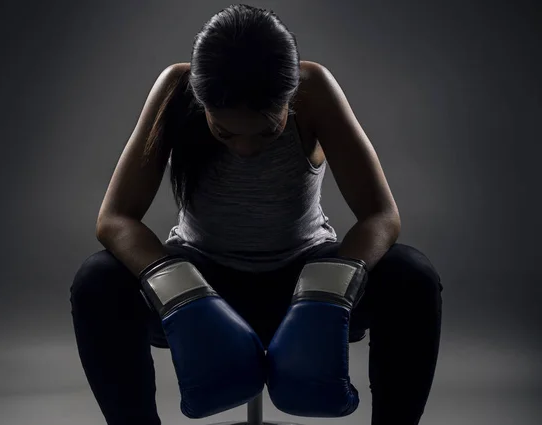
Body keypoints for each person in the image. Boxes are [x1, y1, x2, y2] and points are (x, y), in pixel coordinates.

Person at [70, 4, 443, 425]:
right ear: (201, 100)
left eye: (267, 130)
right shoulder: (176, 89)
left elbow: (380, 214)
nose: (245, 148)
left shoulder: (313, 88)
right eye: (224, 132)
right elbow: (115, 218)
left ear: (289, 99)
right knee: (96, 280)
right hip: (203, 282)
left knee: (412, 274)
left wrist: (331, 287)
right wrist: (177, 289)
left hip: (301, 281)